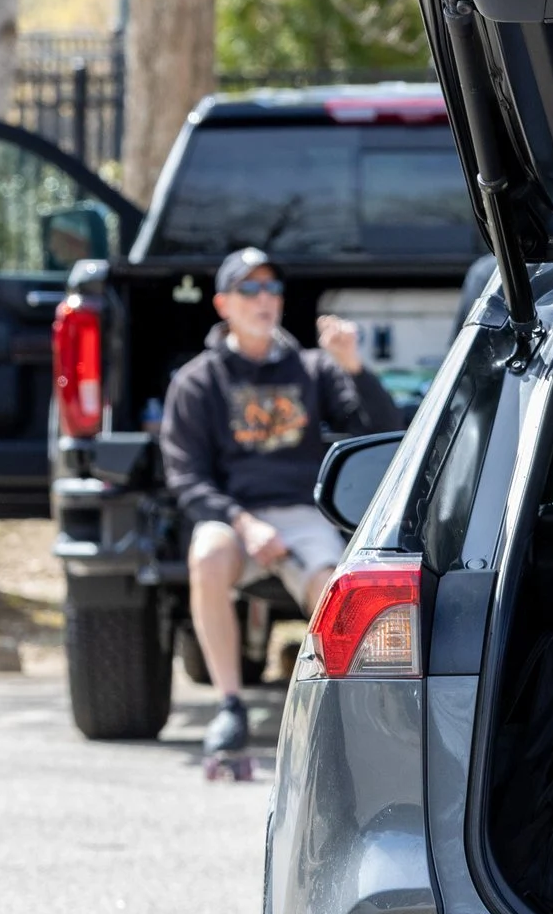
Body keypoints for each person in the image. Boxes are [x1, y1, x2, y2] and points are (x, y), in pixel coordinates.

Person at [161, 246, 404, 757]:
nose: (264, 299)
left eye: (271, 288)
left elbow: (385, 434)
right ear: (224, 304)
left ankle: (341, 720)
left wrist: (355, 367)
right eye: (249, 289)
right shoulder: (198, 381)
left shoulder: (314, 369)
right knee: (205, 556)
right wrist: (244, 524)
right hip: (234, 519)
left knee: (335, 592)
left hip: (303, 515)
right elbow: (186, 479)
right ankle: (230, 706)